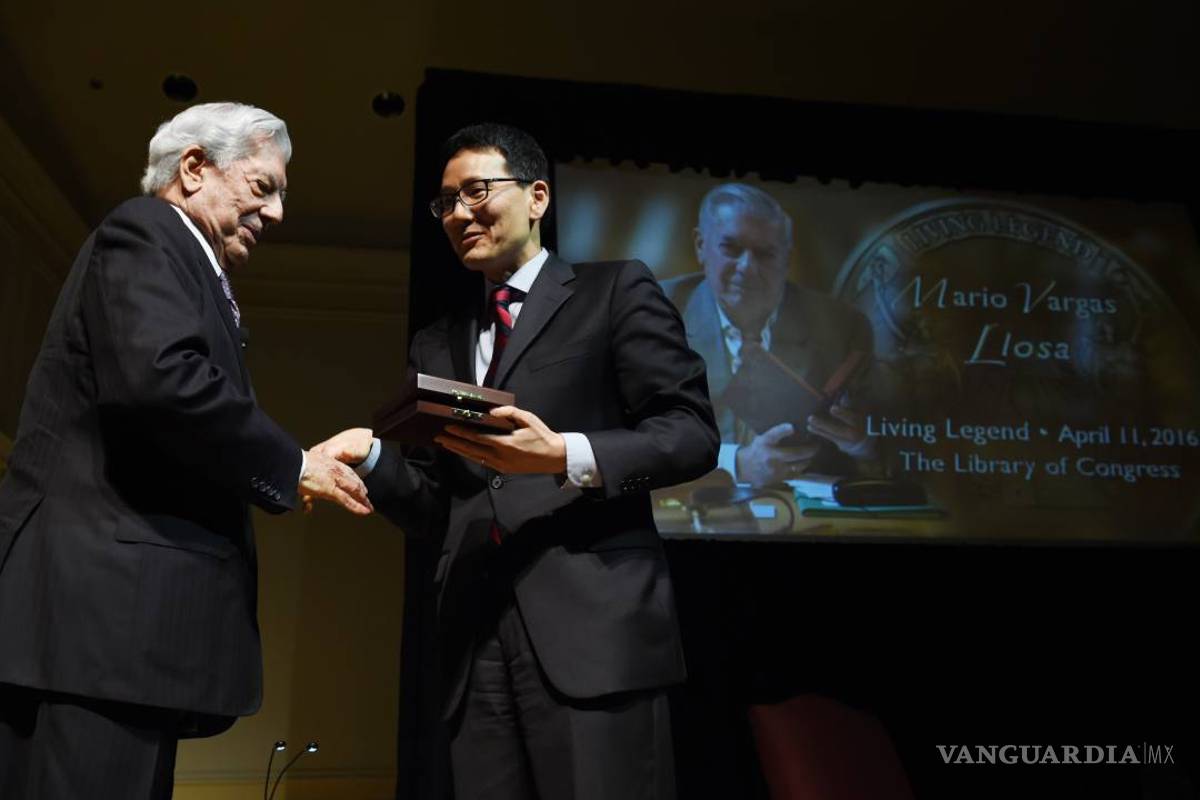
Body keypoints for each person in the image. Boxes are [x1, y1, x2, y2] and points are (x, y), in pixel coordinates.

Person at [313, 123, 718, 799]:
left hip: (594, 634)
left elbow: (692, 433)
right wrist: (374, 457)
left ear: (537, 197)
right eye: (446, 202)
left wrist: (563, 453)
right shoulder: (436, 343)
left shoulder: (614, 291)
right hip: (473, 640)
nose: (459, 213)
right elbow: (435, 505)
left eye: (476, 191)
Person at [0, 102, 372, 799]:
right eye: (263, 186)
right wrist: (295, 466)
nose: (278, 212)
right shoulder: (147, 230)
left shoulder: (190, 263)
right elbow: (163, 381)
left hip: (119, 646)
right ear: (195, 167)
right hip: (98, 637)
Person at [660, 183, 874, 487]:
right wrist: (735, 464)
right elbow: (632, 436)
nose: (747, 267)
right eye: (731, 249)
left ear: (787, 259)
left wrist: (862, 443)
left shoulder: (843, 327)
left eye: (766, 254)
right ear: (700, 245)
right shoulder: (654, 313)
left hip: (810, 509)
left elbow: (890, 450)